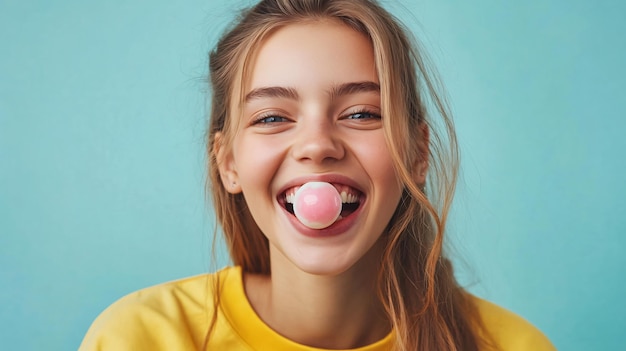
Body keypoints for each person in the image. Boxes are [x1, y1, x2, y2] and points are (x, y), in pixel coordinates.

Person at [79, 0, 556, 350]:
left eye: (362, 113)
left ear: (416, 153)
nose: (317, 146)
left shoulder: (510, 345)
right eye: (271, 117)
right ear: (228, 163)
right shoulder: (140, 338)